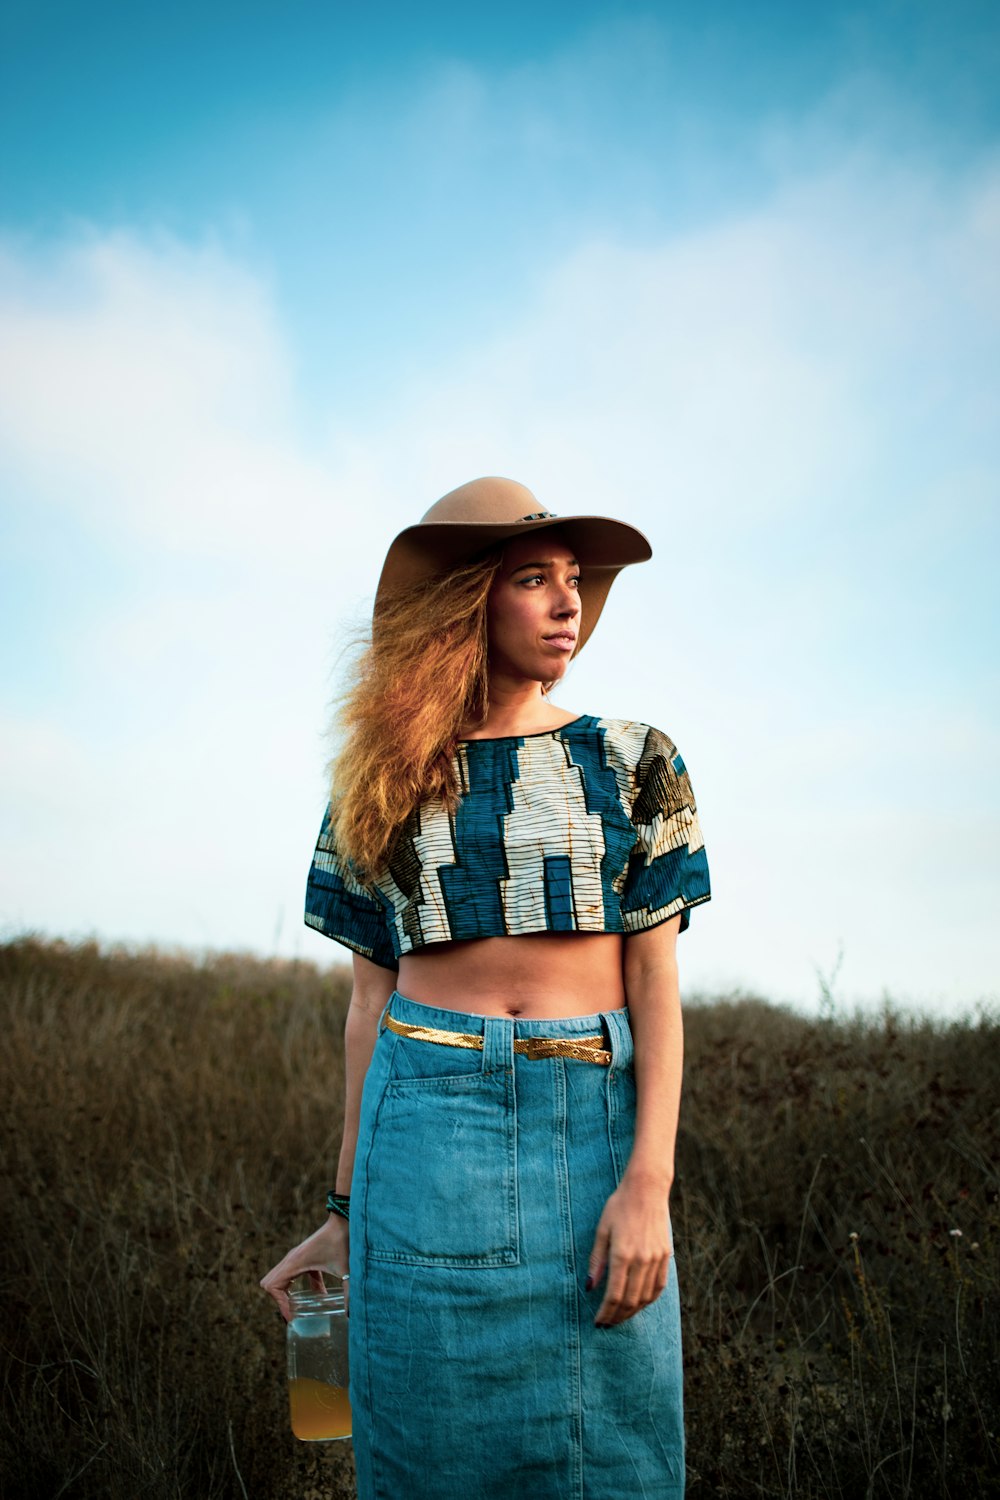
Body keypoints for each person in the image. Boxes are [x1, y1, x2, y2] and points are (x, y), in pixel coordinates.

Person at [261, 475, 711, 1499]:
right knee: (425, 1446)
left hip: (591, 1117)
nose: (567, 605)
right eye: (533, 580)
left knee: (615, 1454)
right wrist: (341, 1210)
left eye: (574, 583)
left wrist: (649, 1183)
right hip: (425, 1129)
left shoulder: (635, 758)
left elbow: (654, 979)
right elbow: (367, 1008)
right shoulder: (384, 777)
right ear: (470, 601)